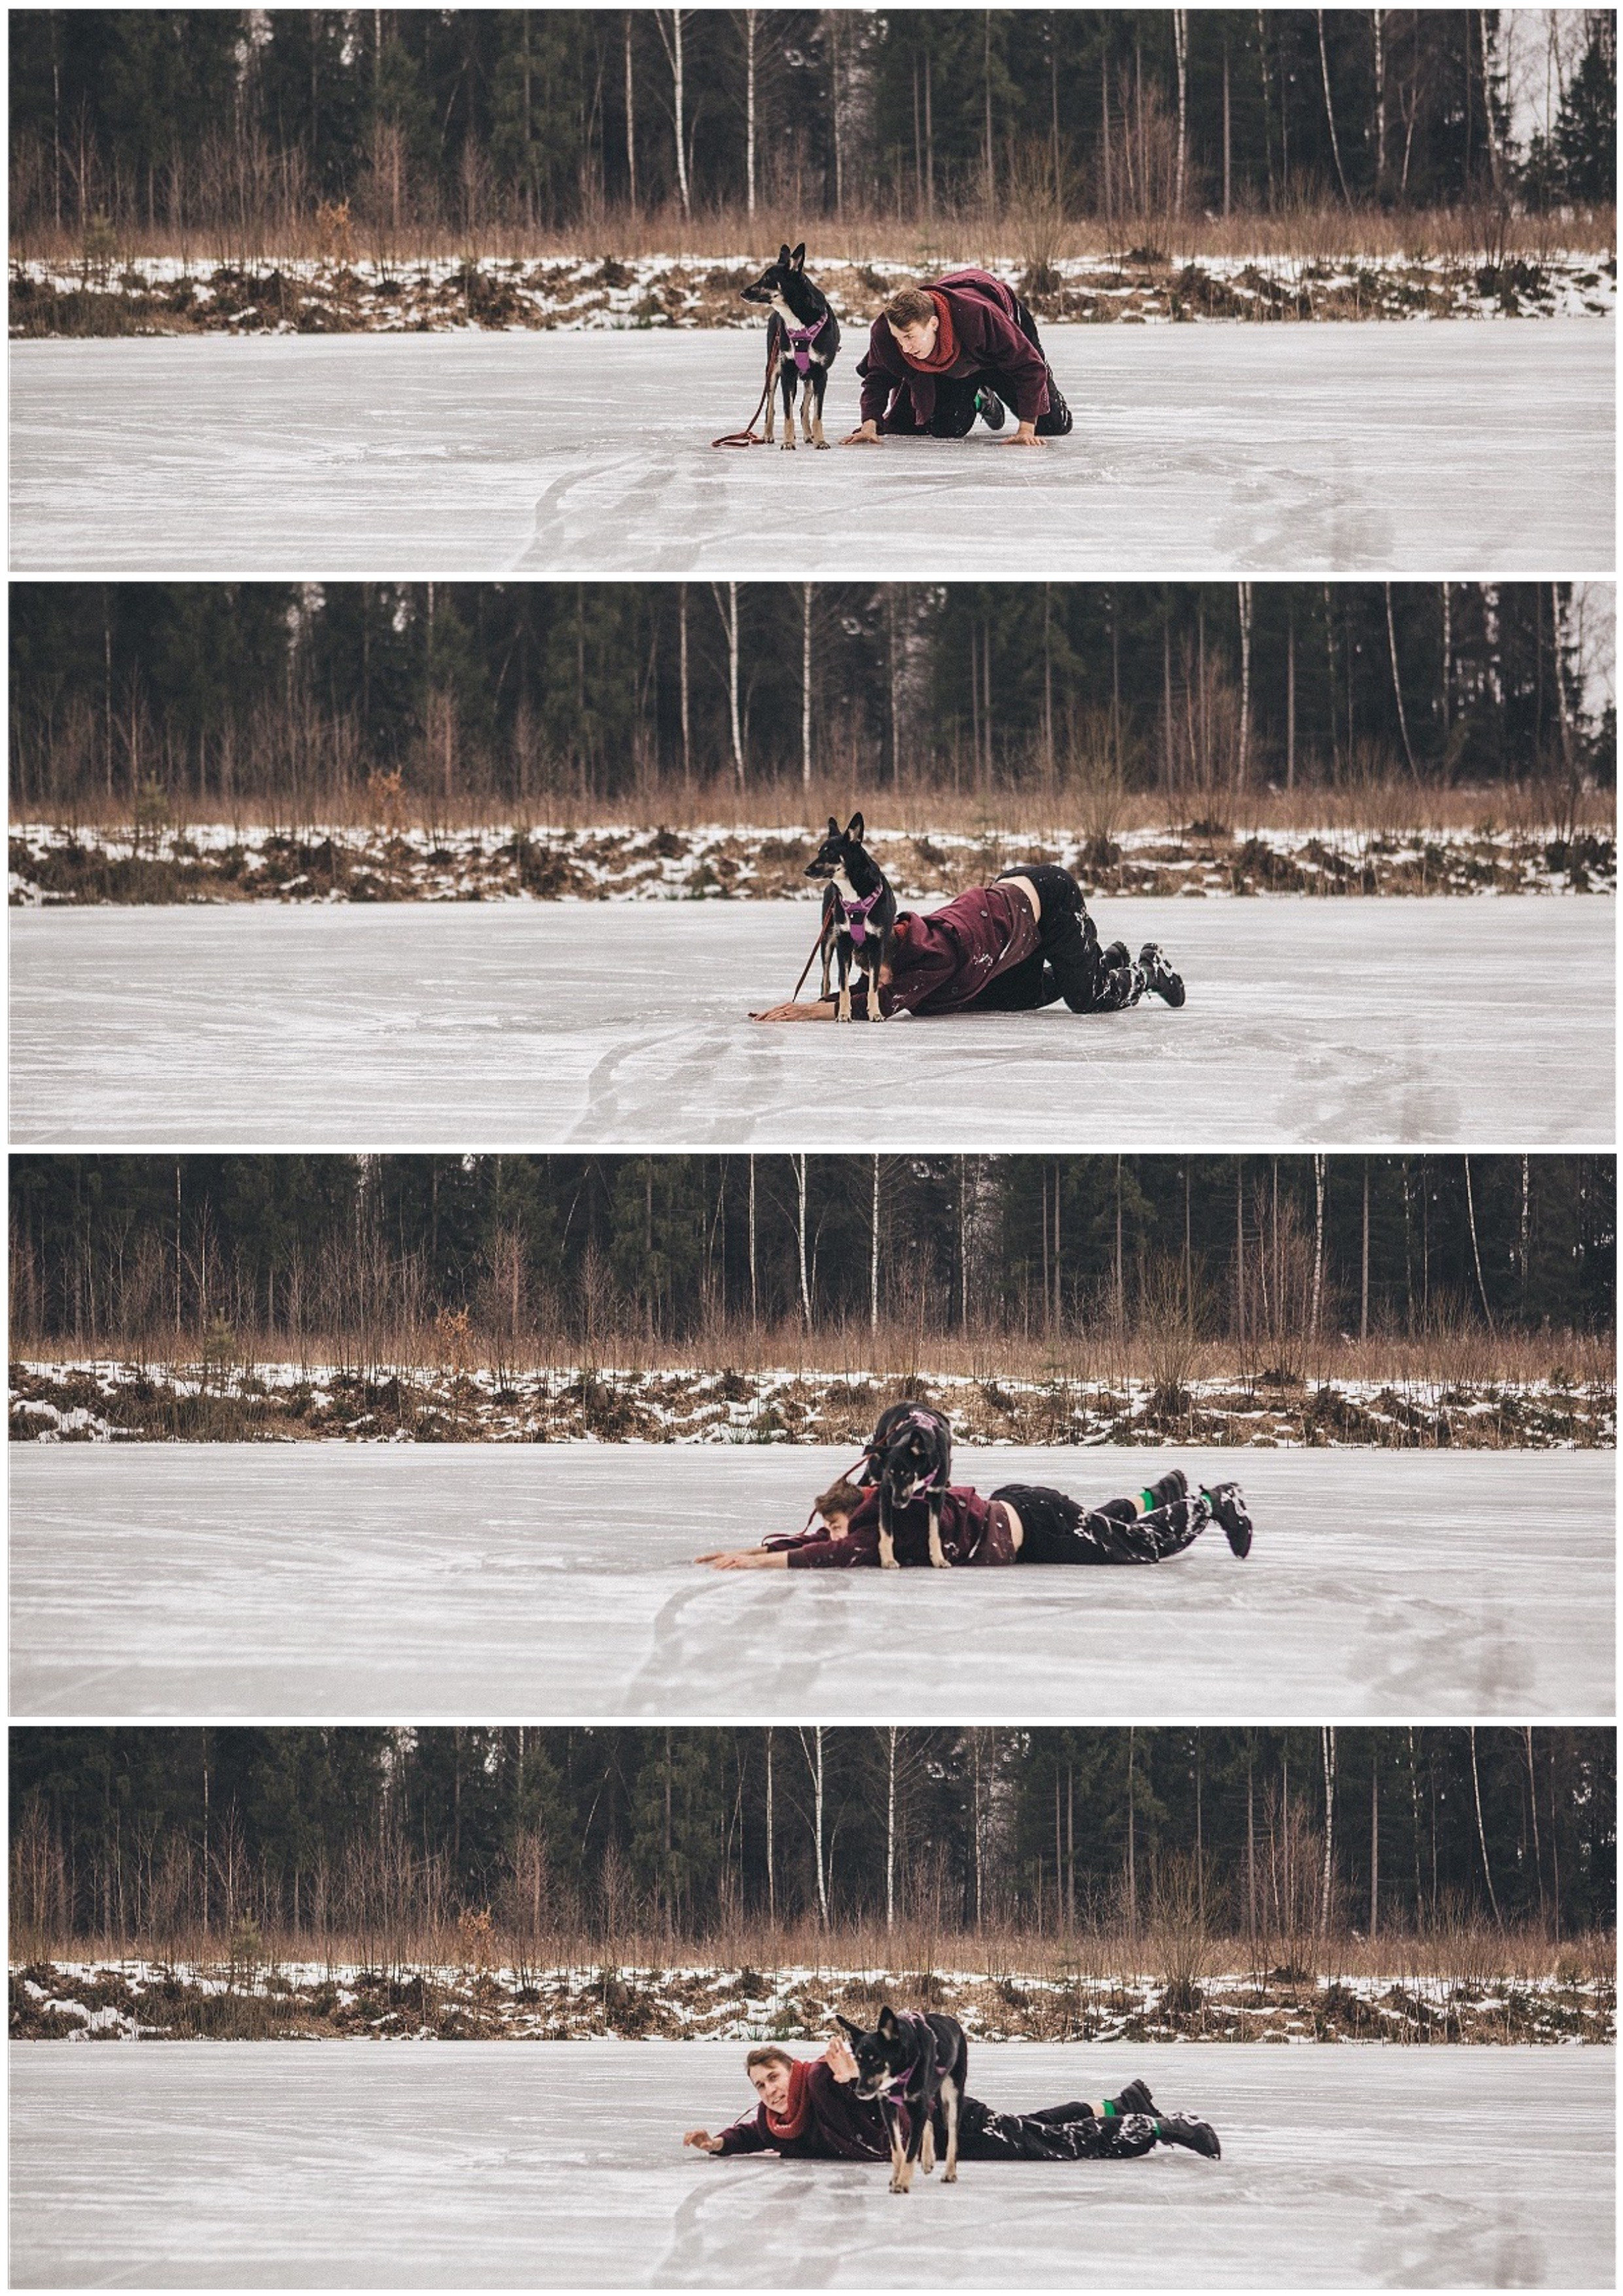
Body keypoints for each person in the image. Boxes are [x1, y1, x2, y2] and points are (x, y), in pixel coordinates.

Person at [751, 863, 1184, 1024]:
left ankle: (1148, 970)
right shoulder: (901, 943)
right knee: (1019, 996)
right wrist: (816, 1001)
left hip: (1051, 900)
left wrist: (808, 1011)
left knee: (1086, 1000)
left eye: (868, 966)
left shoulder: (934, 954)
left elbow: (881, 1003)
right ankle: (1103, 960)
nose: (865, 975)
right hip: (1007, 918)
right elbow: (865, 991)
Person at [683, 2040, 1221, 2164]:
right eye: (760, 2086)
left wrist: (852, 2077)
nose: (770, 2091)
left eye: (773, 2077)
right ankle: (1121, 2105)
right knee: (1029, 2125)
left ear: (790, 2069)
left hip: (941, 2124)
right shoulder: (775, 2120)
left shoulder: (823, 2078)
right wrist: (720, 2142)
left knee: (1044, 2143)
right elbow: (754, 2134)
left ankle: (1161, 2129)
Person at [696, 1468, 1253, 1571]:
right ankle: (1159, 1493)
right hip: (1023, 1522)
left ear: (855, 1510)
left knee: (1136, 1548)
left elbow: (834, 1552)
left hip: (1033, 1524)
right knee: (1101, 1524)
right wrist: (753, 1549)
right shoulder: (868, 1510)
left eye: (837, 1523)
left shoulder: (888, 1520)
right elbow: (823, 1538)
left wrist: (761, 1566)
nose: (834, 1533)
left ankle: (1212, 1501)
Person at [843, 275, 1073, 447]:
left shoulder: (979, 317)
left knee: (1052, 425)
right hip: (956, 366)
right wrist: (869, 425)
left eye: (910, 337)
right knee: (946, 428)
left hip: (999, 352)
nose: (905, 347)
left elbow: (1028, 366)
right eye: (898, 339)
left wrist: (1026, 429)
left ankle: (1037, 394)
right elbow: (878, 377)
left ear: (933, 324)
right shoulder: (885, 331)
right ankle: (980, 398)